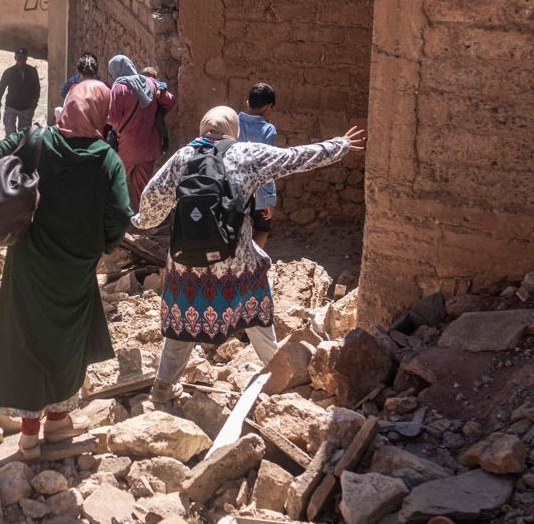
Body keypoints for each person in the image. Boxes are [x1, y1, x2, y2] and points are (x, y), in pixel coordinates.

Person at [132, 106, 365, 404]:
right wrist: (339, 145)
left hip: (186, 264)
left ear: (204, 127)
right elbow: (296, 158)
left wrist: (138, 222)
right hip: (235, 261)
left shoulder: (182, 157)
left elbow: (150, 208)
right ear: (233, 129)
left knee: (181, 326)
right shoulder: (247, 155)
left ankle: (163, 388)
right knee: (256, 313)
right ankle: (283, 376)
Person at [0, 80, 134, 459]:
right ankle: (58, 420)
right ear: (101, 113)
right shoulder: (106, 158)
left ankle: (31, 435)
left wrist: (18, 189)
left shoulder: (37, 142)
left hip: (28, 260)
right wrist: (102, 246)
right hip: (76, 268)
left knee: (27, 339)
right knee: (67, 342)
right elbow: (120, 215)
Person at [107, 54, 174, 213]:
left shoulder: (119, 87)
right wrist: (157, 112)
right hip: (149, 146)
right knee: (143, 188)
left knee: (116, 184)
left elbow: (112, 117)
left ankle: (116, 220)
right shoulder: (149, 82)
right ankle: (143, 222)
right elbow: (170, 100)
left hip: (127, 148)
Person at [238, 83, 278, 249]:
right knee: (262, 228)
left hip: (236, 188)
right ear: (269, 107)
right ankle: (253, 264)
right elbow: (267, 167)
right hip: (258, 191)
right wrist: (269, 199)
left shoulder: (234, 122)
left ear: (248, 103)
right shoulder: (269, 130)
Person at [0, 48, 41, 136]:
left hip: (26, 109)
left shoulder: (32, 72)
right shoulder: (8, 72)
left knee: (23, 137)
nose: (21, 61)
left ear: (26, 59)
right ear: (15, 58)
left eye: (23, 59)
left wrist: (32, 107)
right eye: (19, 59)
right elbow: (0, 90)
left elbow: (36, 90)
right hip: (11, 107)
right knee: (10, 137)